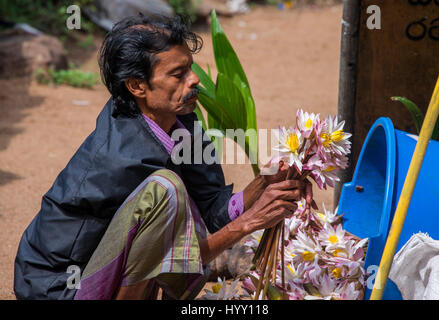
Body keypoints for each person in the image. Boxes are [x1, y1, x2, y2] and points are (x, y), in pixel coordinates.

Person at [14, 14, 313, 300]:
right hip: (57, 288)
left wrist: (265, 181)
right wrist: (250, 222)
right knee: (166, 188)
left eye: (190, 68)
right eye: (178, 73)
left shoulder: (180, 120)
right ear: (137, 86)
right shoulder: (122, 160)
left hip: (108, 269)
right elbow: (170, 259)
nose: (195, 80)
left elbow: (214, 209)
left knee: (168, 193)